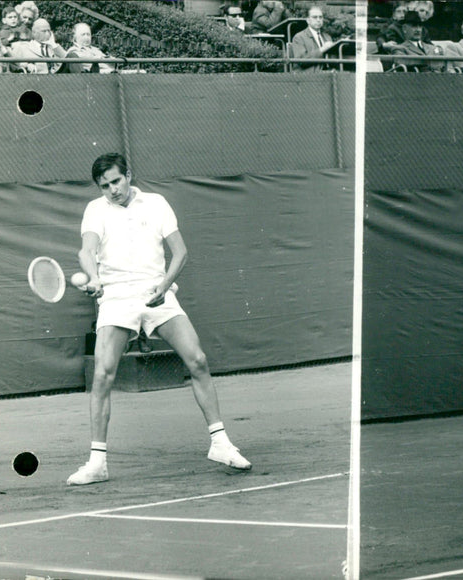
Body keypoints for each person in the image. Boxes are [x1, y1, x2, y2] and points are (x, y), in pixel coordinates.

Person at [67, 153, 251, 485]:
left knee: (197, 360)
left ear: (128, 175)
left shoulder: (156, 203)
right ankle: (97, 463)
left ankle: (220, 444)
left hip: (157, 291)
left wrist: (164, 287)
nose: (112, 190)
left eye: (116, 181)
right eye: (104, 186)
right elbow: (86, 251)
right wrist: (93, 278)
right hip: (117, 297)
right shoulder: (95, 210)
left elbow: (179, 252)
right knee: (103, 375)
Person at [290, 5, 333, 72]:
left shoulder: (327, 37)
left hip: (328, 74)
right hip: (308, 76)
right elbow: (301, 61)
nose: (318, 20)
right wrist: (322, 49)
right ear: (308, 20)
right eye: (315, 17)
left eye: (320, 17)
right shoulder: (299, 37)